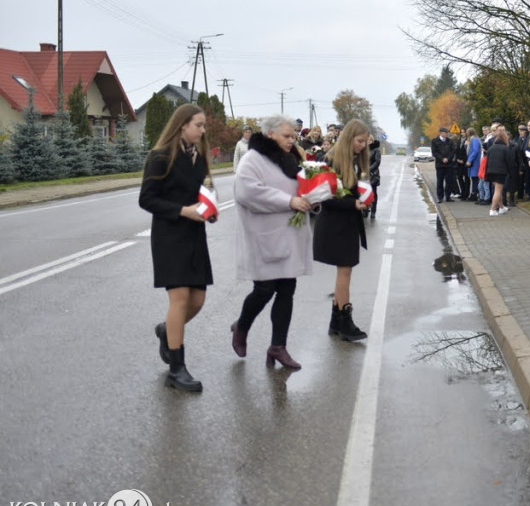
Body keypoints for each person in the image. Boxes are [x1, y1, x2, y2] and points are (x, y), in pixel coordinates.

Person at [139, 104, 216, 393]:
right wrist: (183, 210)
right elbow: (147, 199)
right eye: (199, 124)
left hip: (195, 235)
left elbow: (205, 191)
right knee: (180, 298)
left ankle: (165, 330)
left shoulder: (200, 158)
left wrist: (210, 208)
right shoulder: (160, 157)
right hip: (170, 235)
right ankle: (177, 367)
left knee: (197, 300)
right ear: (182, 125)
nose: (203, 130)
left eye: (204, 125)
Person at [231, 115, 313, 370]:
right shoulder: (252, 159)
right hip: (264, 236)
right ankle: (242, 326)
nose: (292, 140)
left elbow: (301, 188)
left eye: (293, 136)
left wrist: (314, 199)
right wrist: (287, 201)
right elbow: (247, 192)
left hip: (290, 235)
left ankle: (278, 347)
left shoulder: (290, 159)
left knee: (287, 290)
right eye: (287, 136)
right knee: (264, 290)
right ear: (270, 135)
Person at [314, 119, 371, 341]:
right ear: (349, 139)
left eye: (365, 142)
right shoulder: (332, 160)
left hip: (346, 223)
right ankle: (344, 322)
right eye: (359, 141)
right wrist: (353, 204)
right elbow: (324, 197)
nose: (363, 146)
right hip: (334, 224)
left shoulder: (354, 160)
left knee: (345, 271)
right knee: (344, 271)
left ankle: (336, 321)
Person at [485, 126, 515, 217]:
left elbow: (487, 161)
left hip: (491, 171)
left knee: (497, 190)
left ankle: (501, 207)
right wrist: (511, 173)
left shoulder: (491, 148)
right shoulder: (506, 149)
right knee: (498, 190)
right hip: (500, 172)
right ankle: (493, 209)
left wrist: (486, 173)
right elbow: (509, 162)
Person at [431, 127, 457, 202]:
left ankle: (448, 196)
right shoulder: (435, 141)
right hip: (440, 164)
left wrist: (448, 158)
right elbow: (434, 152)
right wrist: (442, 158)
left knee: (448, 181)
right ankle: (440, 197)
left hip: (448, 164)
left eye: (448, 133)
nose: (447, 134)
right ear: (441, 133)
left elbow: (453, 151)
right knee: (440, 181)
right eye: (446, 133)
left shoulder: (450, 141)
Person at [367, 133, 382, 219]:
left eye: (370, 140)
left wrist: (369, 169)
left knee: (373, 193)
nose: (368, 141)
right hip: (364, 174)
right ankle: (365, 210)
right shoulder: (363, 149)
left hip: (373, 174)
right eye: (367, 140)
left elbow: (377, 162)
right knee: (364, 192)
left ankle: (373, 210)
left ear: (372, 140)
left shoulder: (376, 150)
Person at [465, 127, 481, 201]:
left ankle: (474, 193)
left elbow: (475, 151)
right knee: (474, 178)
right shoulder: (473, 139)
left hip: (475, 162)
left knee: (475, 178)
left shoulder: (474, 140)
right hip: (474, 162)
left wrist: (469, 160)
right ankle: (474, 193)